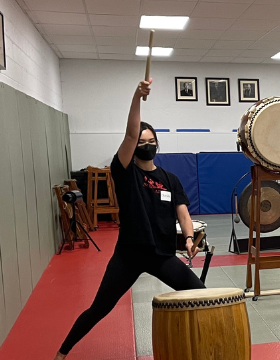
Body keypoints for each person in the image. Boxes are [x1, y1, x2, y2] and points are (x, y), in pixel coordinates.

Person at [54, 79, 205, 359]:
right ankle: (62, 352)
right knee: (100, 307)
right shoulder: (125, 172)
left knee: (200, 293)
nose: (146, 145)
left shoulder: (169, 179)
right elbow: (130, 134)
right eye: (141, 142)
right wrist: (137, 95)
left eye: (151, 142)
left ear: (157, 144)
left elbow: (182, 210)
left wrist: (187, 238)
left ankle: (199, 347)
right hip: (130, 255)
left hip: (161, 254)